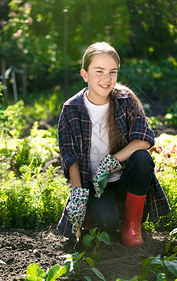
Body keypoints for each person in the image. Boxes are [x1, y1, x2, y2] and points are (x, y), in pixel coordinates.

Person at [57, 41, 171, 247]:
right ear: (85, 74)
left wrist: (112, 161)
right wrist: (78, 197)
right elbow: (70, 157)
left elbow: (144, 139)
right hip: (95, 185)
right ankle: (95, 214)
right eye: (99, 71)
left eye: (113, 72)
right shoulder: (71, 109)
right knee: (107, 224)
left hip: (123, 180)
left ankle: (132, 226)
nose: (106, 78)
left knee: (142, 158)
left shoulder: (125, 100)